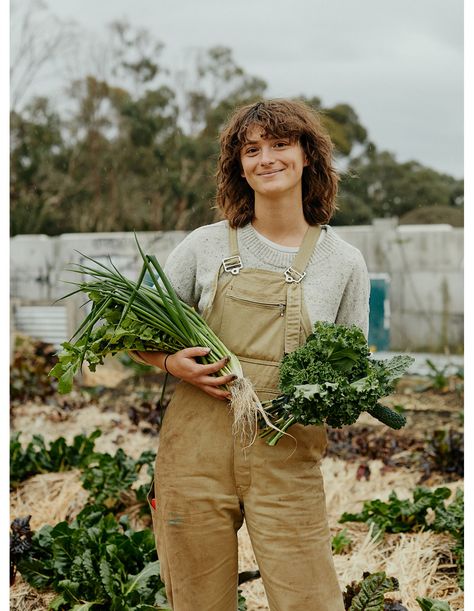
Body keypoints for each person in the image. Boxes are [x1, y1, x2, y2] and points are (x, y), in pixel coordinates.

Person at [134, 98, 370, 611]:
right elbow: (136, 331)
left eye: (280, 145)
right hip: (195, 454)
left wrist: (329, 395)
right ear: (238, 166)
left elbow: (355, 365)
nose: (266, 159)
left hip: (285, 455)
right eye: (251, 150)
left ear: (308, 155)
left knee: (310, 599)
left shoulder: (343, 262)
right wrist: (172, 363)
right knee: (197, 599)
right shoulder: (205, 246)